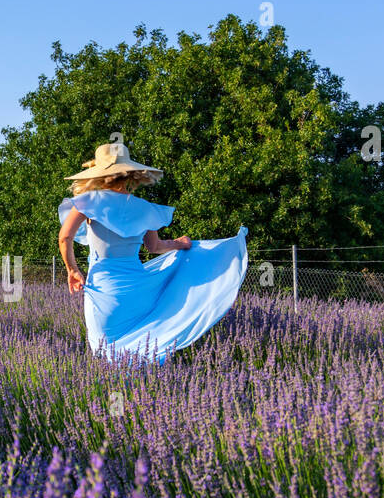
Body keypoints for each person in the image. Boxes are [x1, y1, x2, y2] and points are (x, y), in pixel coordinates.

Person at [57, 143, 248, 363]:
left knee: (104, 350)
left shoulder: (87, 201)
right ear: (130, 173)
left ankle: (114, 394)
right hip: (138, 290)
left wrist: (72, 270)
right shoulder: (144, 208)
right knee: (141, 349)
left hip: (104, 289)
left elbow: (65, 237)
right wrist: (180, 243)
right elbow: (154, 247)